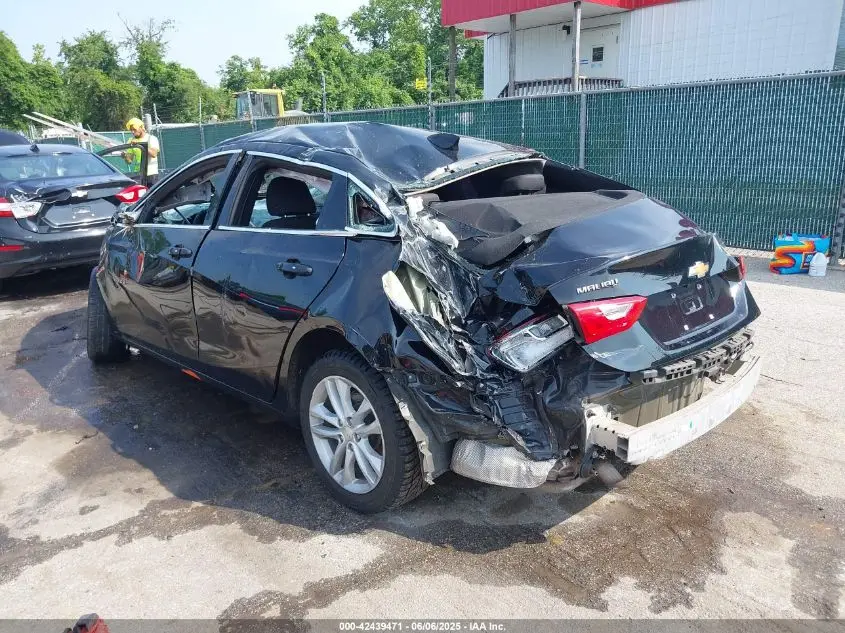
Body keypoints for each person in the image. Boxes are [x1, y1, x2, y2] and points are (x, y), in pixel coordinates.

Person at [123, 118, 160, 185]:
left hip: (151, 174)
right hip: (138, 174)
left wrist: (139, 144)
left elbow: (154, 154)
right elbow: (129, 161)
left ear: (141, 128)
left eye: (134, 129)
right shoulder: (131, 141)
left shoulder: (151, 138)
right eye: (131, 130)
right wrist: (125, 156)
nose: (132, 132)